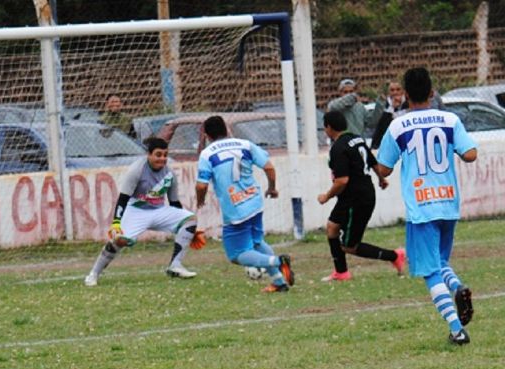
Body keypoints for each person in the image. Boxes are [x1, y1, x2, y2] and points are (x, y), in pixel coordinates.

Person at [376, 67, 477, 345]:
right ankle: (458, 287)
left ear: (405, 96)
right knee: (440, 261)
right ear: (432, 92)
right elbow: (470, 154)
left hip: (421, 208)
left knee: (430, 270)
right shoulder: (450, 119)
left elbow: (383, 169)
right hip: (448, 203)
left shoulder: (398, 126)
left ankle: (456, 329)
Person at [195, 115, 294, 293]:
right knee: (256, 242)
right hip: (255, 203)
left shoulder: (208, 153)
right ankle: (278, 281)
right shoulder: (245, 144)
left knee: (236, 254)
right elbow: (269, 167)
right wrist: (272, 188)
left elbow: (201, 185)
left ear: (207, 135)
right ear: (226, 129)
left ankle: (277, 262)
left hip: (235, 210)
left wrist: (200, 200)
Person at [84, 137, 198, 286]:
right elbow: (123, 198)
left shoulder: (169, 174)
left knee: (191, 219)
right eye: (158, 155)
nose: (162, 159)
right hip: (135, 211)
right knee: (119, 240)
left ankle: (175, 266)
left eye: (165, 155)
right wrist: (116, 223)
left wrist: (187, 231)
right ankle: (93, 274)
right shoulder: (137, 170)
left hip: (158, 211)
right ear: (149, 155)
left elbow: (174, 203)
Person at [318, 110, 406, 281]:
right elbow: (373, 162)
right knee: (332, 228)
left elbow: (342, 180)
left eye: (324, 128)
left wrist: (326, 196)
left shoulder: (338, 148)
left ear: (329, 127)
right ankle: (341, 272)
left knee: (349, 246)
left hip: (356, 199)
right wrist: (381, 179)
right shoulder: (356, 139)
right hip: (354, 196)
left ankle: (394, 256)